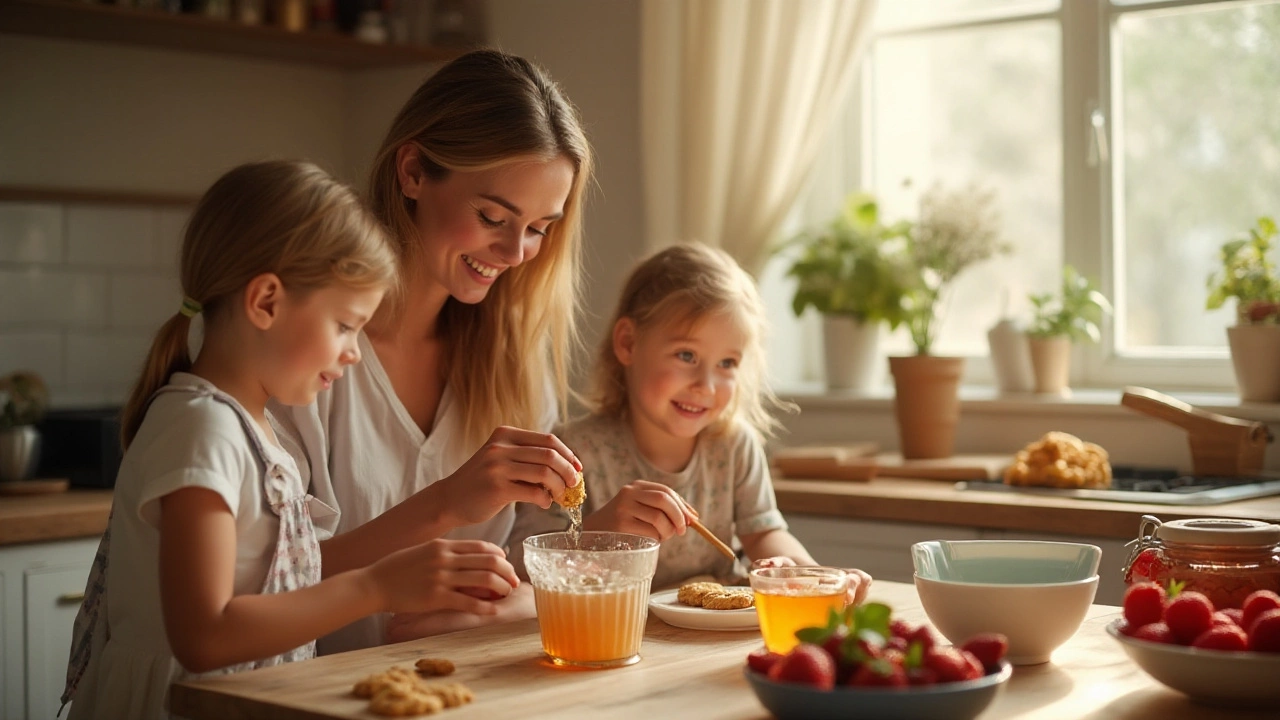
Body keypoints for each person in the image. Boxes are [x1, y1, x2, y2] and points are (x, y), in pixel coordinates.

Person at [60, 161, 520, 719]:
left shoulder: (253, 432)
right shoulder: (201, 432)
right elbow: (204, 636)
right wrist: (375, 588)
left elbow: (281, 582)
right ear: (266, 301)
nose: (354, 352)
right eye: (345, 325)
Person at [272, 49, 592, 652]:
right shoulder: (303, 349)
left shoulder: (514, 359)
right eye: (493, 215)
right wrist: (445, 505)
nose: (517, 251)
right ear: (413, 171)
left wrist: (524, 601)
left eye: (539, 229)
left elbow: (537, 557)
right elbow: (261, 579)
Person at [511, 243, 872, 602]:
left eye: (727, 363)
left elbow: (764, 534)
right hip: (614, 631)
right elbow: (527, 569)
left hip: (711, 630)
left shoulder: (733, 445)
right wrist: (602, 533)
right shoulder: (573, 451)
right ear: (628, 343)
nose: (706, 385)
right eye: (687, 355)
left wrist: (810, 576)